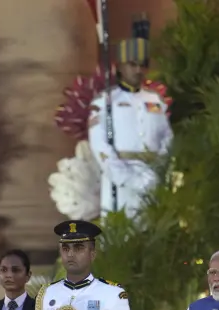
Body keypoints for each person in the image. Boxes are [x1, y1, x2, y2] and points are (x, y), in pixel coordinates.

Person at [87, 15, 173, 219]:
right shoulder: (104, 102)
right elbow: (100, 146)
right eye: (132, 64)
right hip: (120, 181)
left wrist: (157, 171)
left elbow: (167, 137)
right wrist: (125, 177)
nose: (138, 70)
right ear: (121, 66)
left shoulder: (155, 100)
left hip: (152, 178)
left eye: (141, 65)